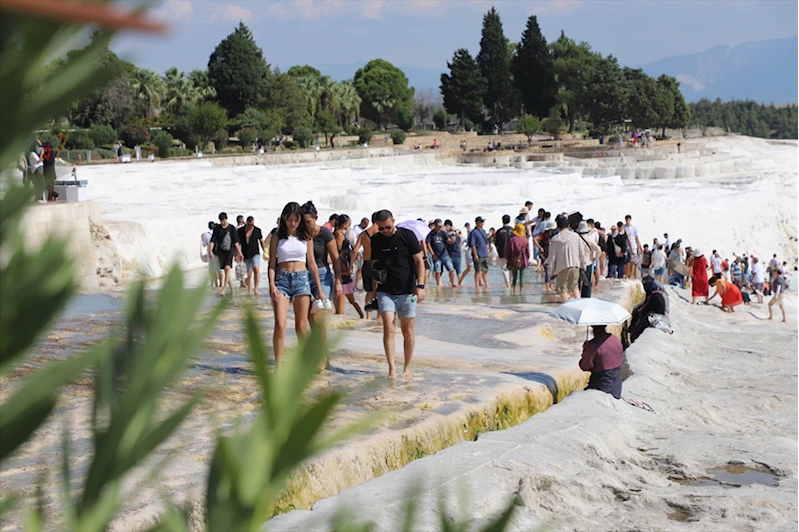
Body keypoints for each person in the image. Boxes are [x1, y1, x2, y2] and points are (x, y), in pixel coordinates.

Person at [366, 210, 425, 379]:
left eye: (387, 227)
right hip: (386, 291)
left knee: (407, 331)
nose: (385, 231)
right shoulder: (376, 240)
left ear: (394, 221)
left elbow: (419, 261)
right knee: (388, 327)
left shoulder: (408, 236)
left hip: (408, 291)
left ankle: (407, 367)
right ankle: (392, 369)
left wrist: (420, 286)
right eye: (381, 228)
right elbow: (375, 264)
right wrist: (374, 288)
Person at [268, 202, 326, 366]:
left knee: (301, 326)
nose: (292, 223)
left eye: (295, 219)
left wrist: (319, 290)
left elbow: (312, 264)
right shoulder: (277, 237)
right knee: (280, 324)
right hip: (282, 280)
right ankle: (278, 365)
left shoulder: (306, 237)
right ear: (284, 219)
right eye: (289, 219)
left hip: (302, 280)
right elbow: (272, 263)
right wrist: (272, 284)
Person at [302, 201, 342, 329]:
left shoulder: (325, 233)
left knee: (317, 318)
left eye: (308, 221)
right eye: (303, 222)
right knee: (309, 317)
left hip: (323, 275)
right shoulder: (299, 234)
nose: (305, 225)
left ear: (316, 218)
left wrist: (338, 281)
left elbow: (336, 258)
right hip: (303, 276)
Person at [546, 216, 589, 303]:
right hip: (575, 265)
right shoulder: (576, 236)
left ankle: (566, 307)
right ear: (568, 226)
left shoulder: (554, 239)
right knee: (575, 287)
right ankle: (579, 305)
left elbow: (552, 257)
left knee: (563, 289)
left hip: (561, 267)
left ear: (557, 227)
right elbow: (582, 252)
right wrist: (583, 265)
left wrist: (550, 271)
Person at [579, 325, 623, 399]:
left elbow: (584, 366)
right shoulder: (615, 339)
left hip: (601, 385)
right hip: (616, 385)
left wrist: (585, 351)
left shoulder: (592, 345)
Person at [335, 214, 364, 319]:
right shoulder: (339, 234)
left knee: (350, 299)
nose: (350, 226)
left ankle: (361, 316)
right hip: (342, 268)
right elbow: (338, 252)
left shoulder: (342, 234)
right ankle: (342, 315)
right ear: (344, 224)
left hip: (344, 269)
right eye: (348, 223)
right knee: (344, 297)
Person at [208, 212, 243, 297]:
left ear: (226, 219)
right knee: (225, 271)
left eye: (223, 220)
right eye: (221, 221)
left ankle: (224, 289)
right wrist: (210, 250)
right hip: (220, 252)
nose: (222, 222)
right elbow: (213, 240)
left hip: (230, 251)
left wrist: (239, 253)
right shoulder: (217, 229)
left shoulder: (232, 228)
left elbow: (236, 242)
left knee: (227, 268)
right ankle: (232, 289)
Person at [352, 212, 380, 320]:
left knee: (369, 291)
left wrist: (351, 265)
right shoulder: (381, 233)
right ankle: (379, 316)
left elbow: (355, 250)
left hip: (366, 263)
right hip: (378, 264)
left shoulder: (363, 234)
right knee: (378, 291)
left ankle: (368, 315)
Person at [628, 276, 669, 344]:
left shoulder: (654, 296)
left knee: (636, 329)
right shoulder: (658, 293)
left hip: (654, 318)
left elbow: (644, 309)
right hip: (658, 316)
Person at [238, 216, 266, 296]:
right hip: (245, 254)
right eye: (249, 225)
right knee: (247, 274)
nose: (250, 226)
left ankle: (256, 289)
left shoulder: (257, 230)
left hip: (255, 253)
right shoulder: (240, 231)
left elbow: (261, 242)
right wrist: (237, 253)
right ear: (246, 223)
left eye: (252, 225)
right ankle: (250, 288)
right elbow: (237, 243)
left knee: (256, 270)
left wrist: (265, 252)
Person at [425, 219, 457, 288]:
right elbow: (428, 244)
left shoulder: (443, 232)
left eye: (440, 226)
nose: (439, 227)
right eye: (438, 226)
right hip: (436, 255)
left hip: (445, 254)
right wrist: (432, 254)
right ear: (435, 225)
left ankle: (452, 282)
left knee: (451, 269)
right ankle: (439, 283)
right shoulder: (431, 234)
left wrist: (452, 241)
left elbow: (448, 240)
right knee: (438, 270)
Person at [576, 221, 601, 298]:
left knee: (577, 282)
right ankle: (586, 298)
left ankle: (577, 297)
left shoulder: (576, 239)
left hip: (577, 263)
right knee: (587, 283)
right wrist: (595, 258)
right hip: (588, 262)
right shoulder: (589, 240)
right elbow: (598, 249)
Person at [506, 224, 530, 294]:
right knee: (522, 275)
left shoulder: (512, 240)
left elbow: (508, 250)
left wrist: (507, 257)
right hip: (523, 259)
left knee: (514, 275)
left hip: (514, 259)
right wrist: (527, 258)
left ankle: (513, 289)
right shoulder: (525, 240)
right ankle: (521, 290)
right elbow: (528, 252)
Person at [468, 216, 490, 288]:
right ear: (477, 222)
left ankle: (486, 284)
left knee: (485, 270)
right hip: (478, 254)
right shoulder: (473, 232)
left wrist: (487, 251)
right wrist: (475, 255)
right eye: (481, 222)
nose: (482, 223)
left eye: (483, 222)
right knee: (477, 270)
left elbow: (486, 243)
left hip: (484, 254)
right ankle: (477, 285)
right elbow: (473, 244)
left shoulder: (483, 231)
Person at [534, 220, 555, 292]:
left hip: (551, 254)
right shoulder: (543, 235)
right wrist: (539, 247)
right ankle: (547, 286)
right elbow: (535, 239)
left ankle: (550, 285)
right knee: (547, 269)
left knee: (552, 270)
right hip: (544, 254)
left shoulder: (554, 235)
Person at [494, 215, 513, 287]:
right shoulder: (513, 230)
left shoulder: (499, 231)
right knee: (511, 268)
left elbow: (496, 244)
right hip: (512, 252)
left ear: (502, 221)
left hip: (503, 252)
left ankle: (507, 283)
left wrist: (498, 253)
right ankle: (511, 282)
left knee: (504, 268)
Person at [202, 221, 220, 288]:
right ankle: (220, 284)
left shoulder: (206, 234)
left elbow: (204, 245)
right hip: (218, 253)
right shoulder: (218, 232)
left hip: (211, 253)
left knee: (212, 270)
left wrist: (202, 238)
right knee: (219, 269)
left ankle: (213, 284)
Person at [623, 215, 642, 279]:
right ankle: (627, 275)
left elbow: (636, 238)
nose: (627, 221)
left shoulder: (634, 228)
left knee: (633, 261)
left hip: (634, 246)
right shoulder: (623, 227)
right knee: (627, 262)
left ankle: (631, 275)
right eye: (626, 220)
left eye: (628, 219)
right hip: (626, 246)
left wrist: (639, 246)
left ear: (630, 220)